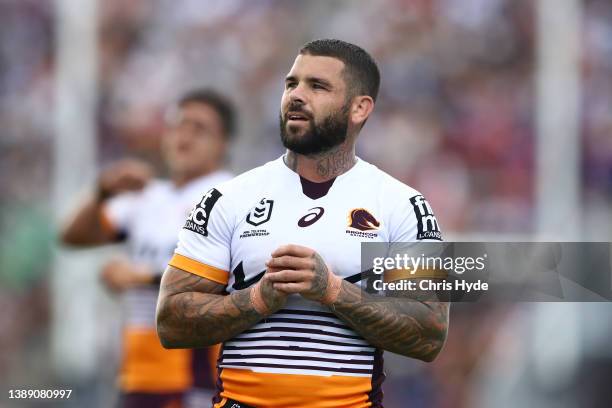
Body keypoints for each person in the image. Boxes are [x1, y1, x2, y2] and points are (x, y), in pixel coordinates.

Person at [157, 39, 449, 408]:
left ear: (360, 108)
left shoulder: (402, 206)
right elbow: (170, 323)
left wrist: (332, 290)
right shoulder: (228, 199)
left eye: (317, 86)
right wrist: (258, 298)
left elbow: (429, 335)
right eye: (291, 84)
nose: (296, 95)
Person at [61, 89, 237, 408]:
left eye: (199, 128)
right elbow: (74, 236)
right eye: (178, 124)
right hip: (138, 375)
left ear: (223, 143)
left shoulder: (231, 198)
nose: (184, 136)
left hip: (192, 378)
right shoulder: (148, 196)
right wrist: (103, 191)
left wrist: (142, 278)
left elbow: (228, 282)